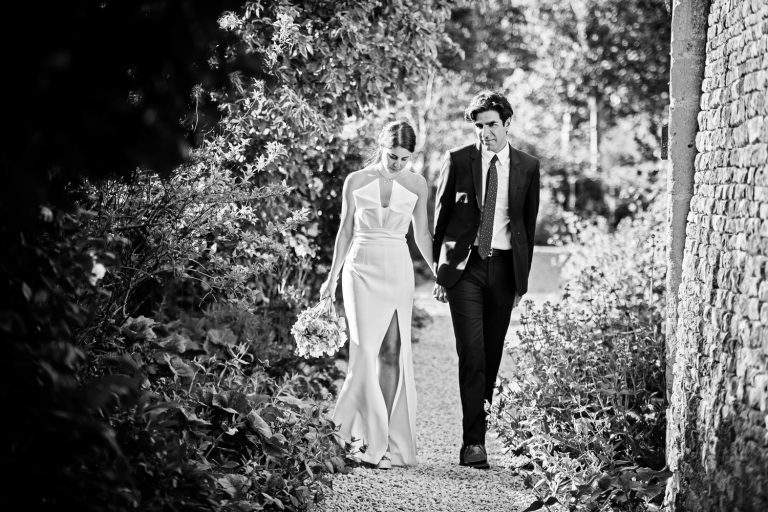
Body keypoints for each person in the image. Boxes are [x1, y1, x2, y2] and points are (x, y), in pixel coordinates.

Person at [432, 91, 540, 469]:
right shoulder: (459, 160)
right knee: (472, 353)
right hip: (465, 271)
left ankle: (483, 428)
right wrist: (440, 271)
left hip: (505, 270)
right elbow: (441, 218)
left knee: (492, 355)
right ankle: (473, 443)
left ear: (507, 123)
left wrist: (520, 282)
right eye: (479, 126)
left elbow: (527, 224)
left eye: (492, 125)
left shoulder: (528, 166)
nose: (485, 133)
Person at [320, 120, 434, 469]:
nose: (398, 163)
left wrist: (439, 273)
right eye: (392, 156)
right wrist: (332, 277)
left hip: (397, 269)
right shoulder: (356, 180)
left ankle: (379, 441)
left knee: (391, 351)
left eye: (405, 158)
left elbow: (422, 235)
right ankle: (350, 438)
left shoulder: (417, 184)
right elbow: (344, 231)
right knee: (363, 351)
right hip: (361, 268)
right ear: (381, 145)